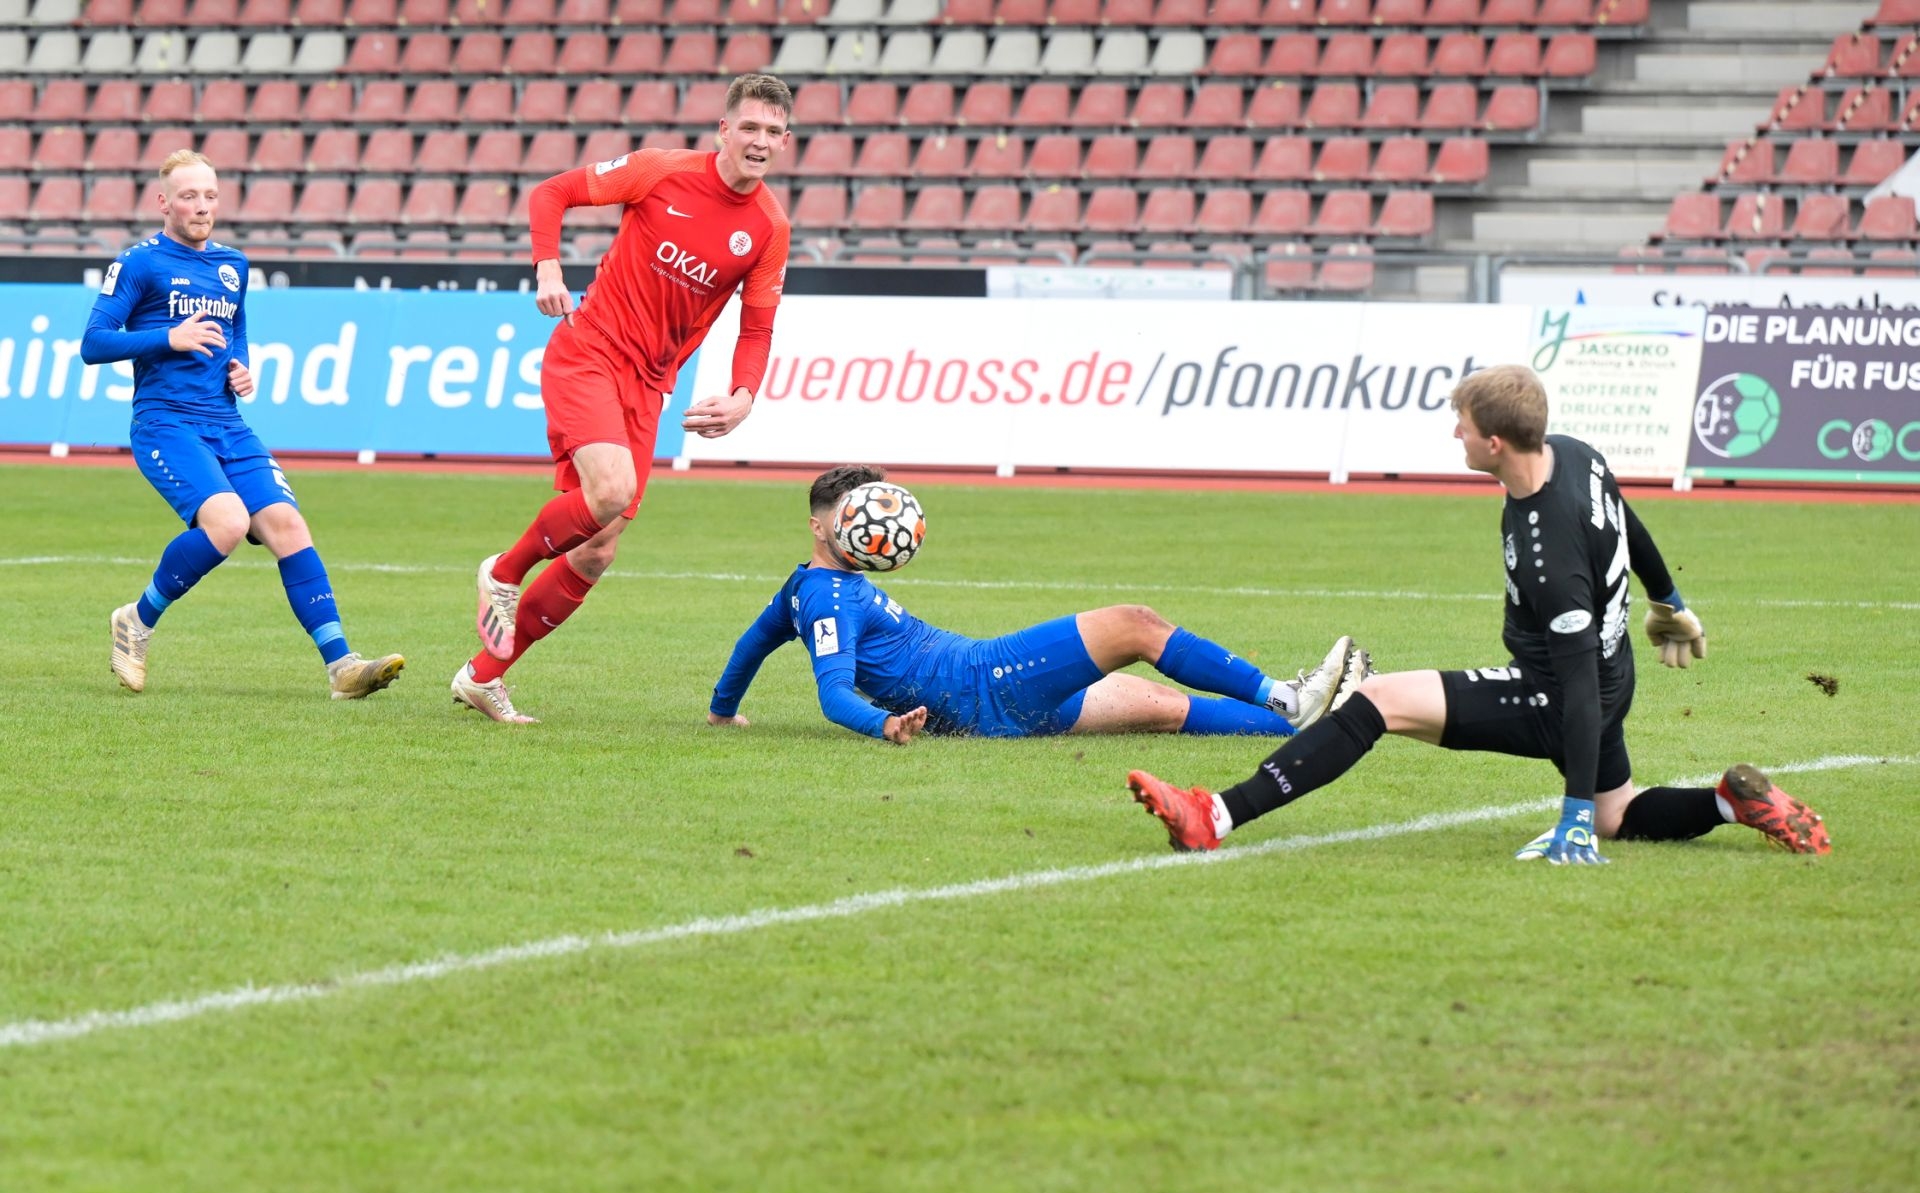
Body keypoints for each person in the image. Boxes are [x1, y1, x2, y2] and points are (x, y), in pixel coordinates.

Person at [1126, 364, 1830, 863]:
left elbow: (1576, 689)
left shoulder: (1548, 554)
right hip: (1612, 675)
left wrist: (1572, 817)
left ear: (1495, 442)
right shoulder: (1576, 456)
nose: (1454, 434)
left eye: (1461, 426)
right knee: (1619, 812)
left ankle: (1214, 815)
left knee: (1376, 701)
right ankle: (1727, 804)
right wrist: (1667, 600)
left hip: (1563, 694)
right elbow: (1630, 522)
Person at [452, 73, 796, 724]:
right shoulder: (659, 171)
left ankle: (483, 677)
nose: (760, 141)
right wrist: (548, 267)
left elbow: (757, 329)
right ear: (724, 130)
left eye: (773, 132)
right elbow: (552, 192)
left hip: (649, 384)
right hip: (590, 349)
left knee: (598, 548)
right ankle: (504, 572)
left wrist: (744, 396)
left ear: (784, 142)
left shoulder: (769, 228)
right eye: (749, 127)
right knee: (610, 491)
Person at [706, 466, 1371, 744]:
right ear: (821, 527)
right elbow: (832, 694)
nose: (872, 526)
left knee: (1163, 708)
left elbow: (752, 643)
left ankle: (1324, 726)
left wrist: (721, 711)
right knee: (1135, 625)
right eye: (853, 516)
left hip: (982, 702)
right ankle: (1288, 698)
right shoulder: (827, 598)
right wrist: (883, 727)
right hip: (983, 682)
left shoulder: (803, 587)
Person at [83, 150, 403, 699]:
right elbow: (94, 343)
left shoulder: (233, 265)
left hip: (226, 421)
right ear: (164, 203)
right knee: (228, 523)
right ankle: (137, 619)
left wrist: (240, 365)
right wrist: (169, 337)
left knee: (288, 525)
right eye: (189, 196)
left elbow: (237, 329)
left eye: (210, 195)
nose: (201, 206)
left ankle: (342, 667)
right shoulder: (139, 263)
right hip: (166, 423)